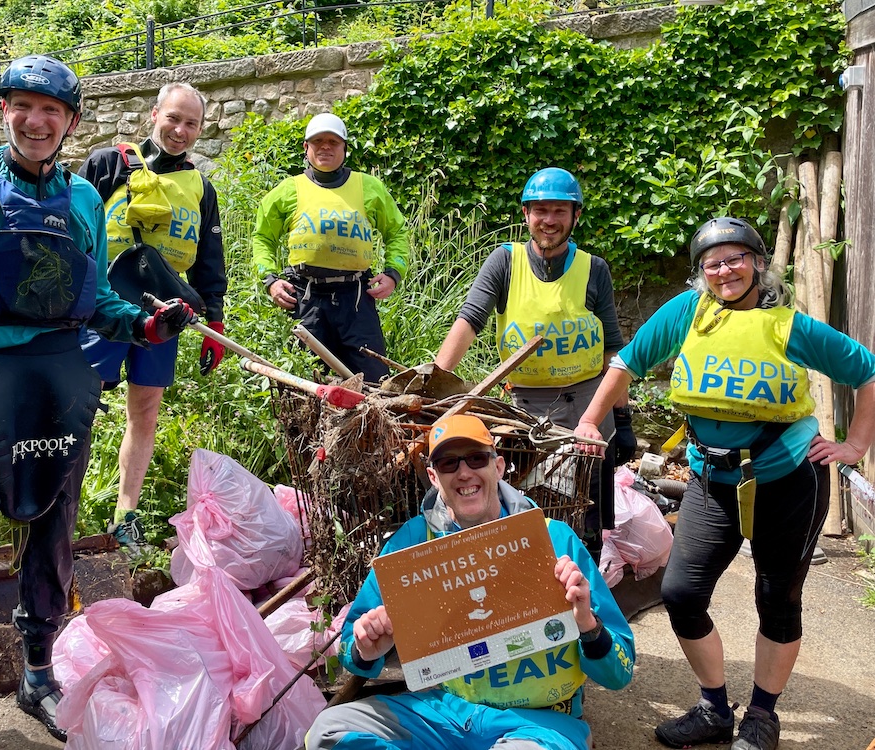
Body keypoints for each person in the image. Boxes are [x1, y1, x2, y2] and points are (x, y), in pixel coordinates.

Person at [0, 55, 196, 750]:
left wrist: (140, 324)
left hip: (57, 389)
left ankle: (39, 675)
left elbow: (93, 299)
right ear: (3, 111)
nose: (37, 120)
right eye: (23, 105)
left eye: (52, 110)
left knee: (52, 543)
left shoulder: (84, 201)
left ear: (72, 121)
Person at [574, 217, 875, 750]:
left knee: (776, 599)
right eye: (712, 262)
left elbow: (866, 371)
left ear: (759, 263)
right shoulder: (687, 313)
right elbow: (625, 362)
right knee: (681, 593)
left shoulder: (790, 326)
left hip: (787, 479)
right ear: (701, 273)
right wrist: (589, 422)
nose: (724, 269)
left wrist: (855, 446)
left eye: (735, 258)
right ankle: (714, 708)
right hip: (711, 480)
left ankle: (762, 715)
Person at [305, 413, 635, 750]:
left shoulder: (554, 540)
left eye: (477, 458)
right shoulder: (411, 546)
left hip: (540, 721)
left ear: (499, 467)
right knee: (327, 732)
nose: (464, 473)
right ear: (433, 476)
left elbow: (619, 673)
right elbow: (350, 649)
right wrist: (366, 647)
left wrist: (588, 624)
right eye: (449, 464)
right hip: (443, 713)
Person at [434, 167, 627, 557]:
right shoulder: (505, 262)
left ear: (576, 216)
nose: (549, 221)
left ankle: (586, 589)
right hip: (525, 408)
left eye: (560, 211)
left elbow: (612, 350)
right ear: (526, 215)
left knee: (587, 509)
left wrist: (621, 419)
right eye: (540, 210)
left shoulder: (594, 269)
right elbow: (469, 321)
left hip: (588, 406)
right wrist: (434, 385)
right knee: (527, 501)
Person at [77, 82, 227, 553]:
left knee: (145, 411)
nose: (181, 130)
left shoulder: (202, 188)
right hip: (101, 307)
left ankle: (126, 515)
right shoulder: (108, 164)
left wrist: (215, 322)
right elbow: (72, 230)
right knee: (76, 408)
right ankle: (59, 507)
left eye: (192, 124)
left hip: (166, 314)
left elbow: (209, 259)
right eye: (173, 119)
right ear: (154, 113)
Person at [252, 112, 408, 383]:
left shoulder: (370, 187)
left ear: (344, 148)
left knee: (373, 382)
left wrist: (394, 273)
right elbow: (262, 238)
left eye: (333, 142)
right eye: (318, 141)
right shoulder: (288, 190)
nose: (325, 147)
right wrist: (270, 280)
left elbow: (397, 232)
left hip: (357, 299)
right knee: (305, 386)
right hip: (305, 298)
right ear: (306, 148)